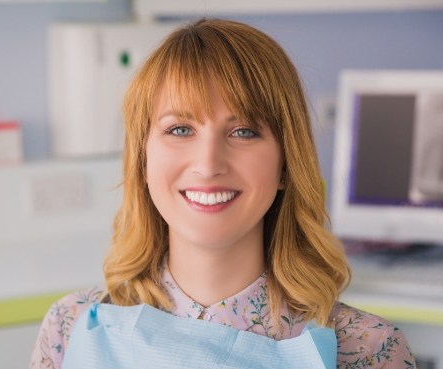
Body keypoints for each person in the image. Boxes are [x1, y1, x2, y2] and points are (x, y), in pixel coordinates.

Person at [30, 18, 415, 368]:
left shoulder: (368, 350)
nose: (209, 163)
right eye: (180, 129)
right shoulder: (69, 327)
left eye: (243, 131)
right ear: (143, 160)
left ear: (285, 164)